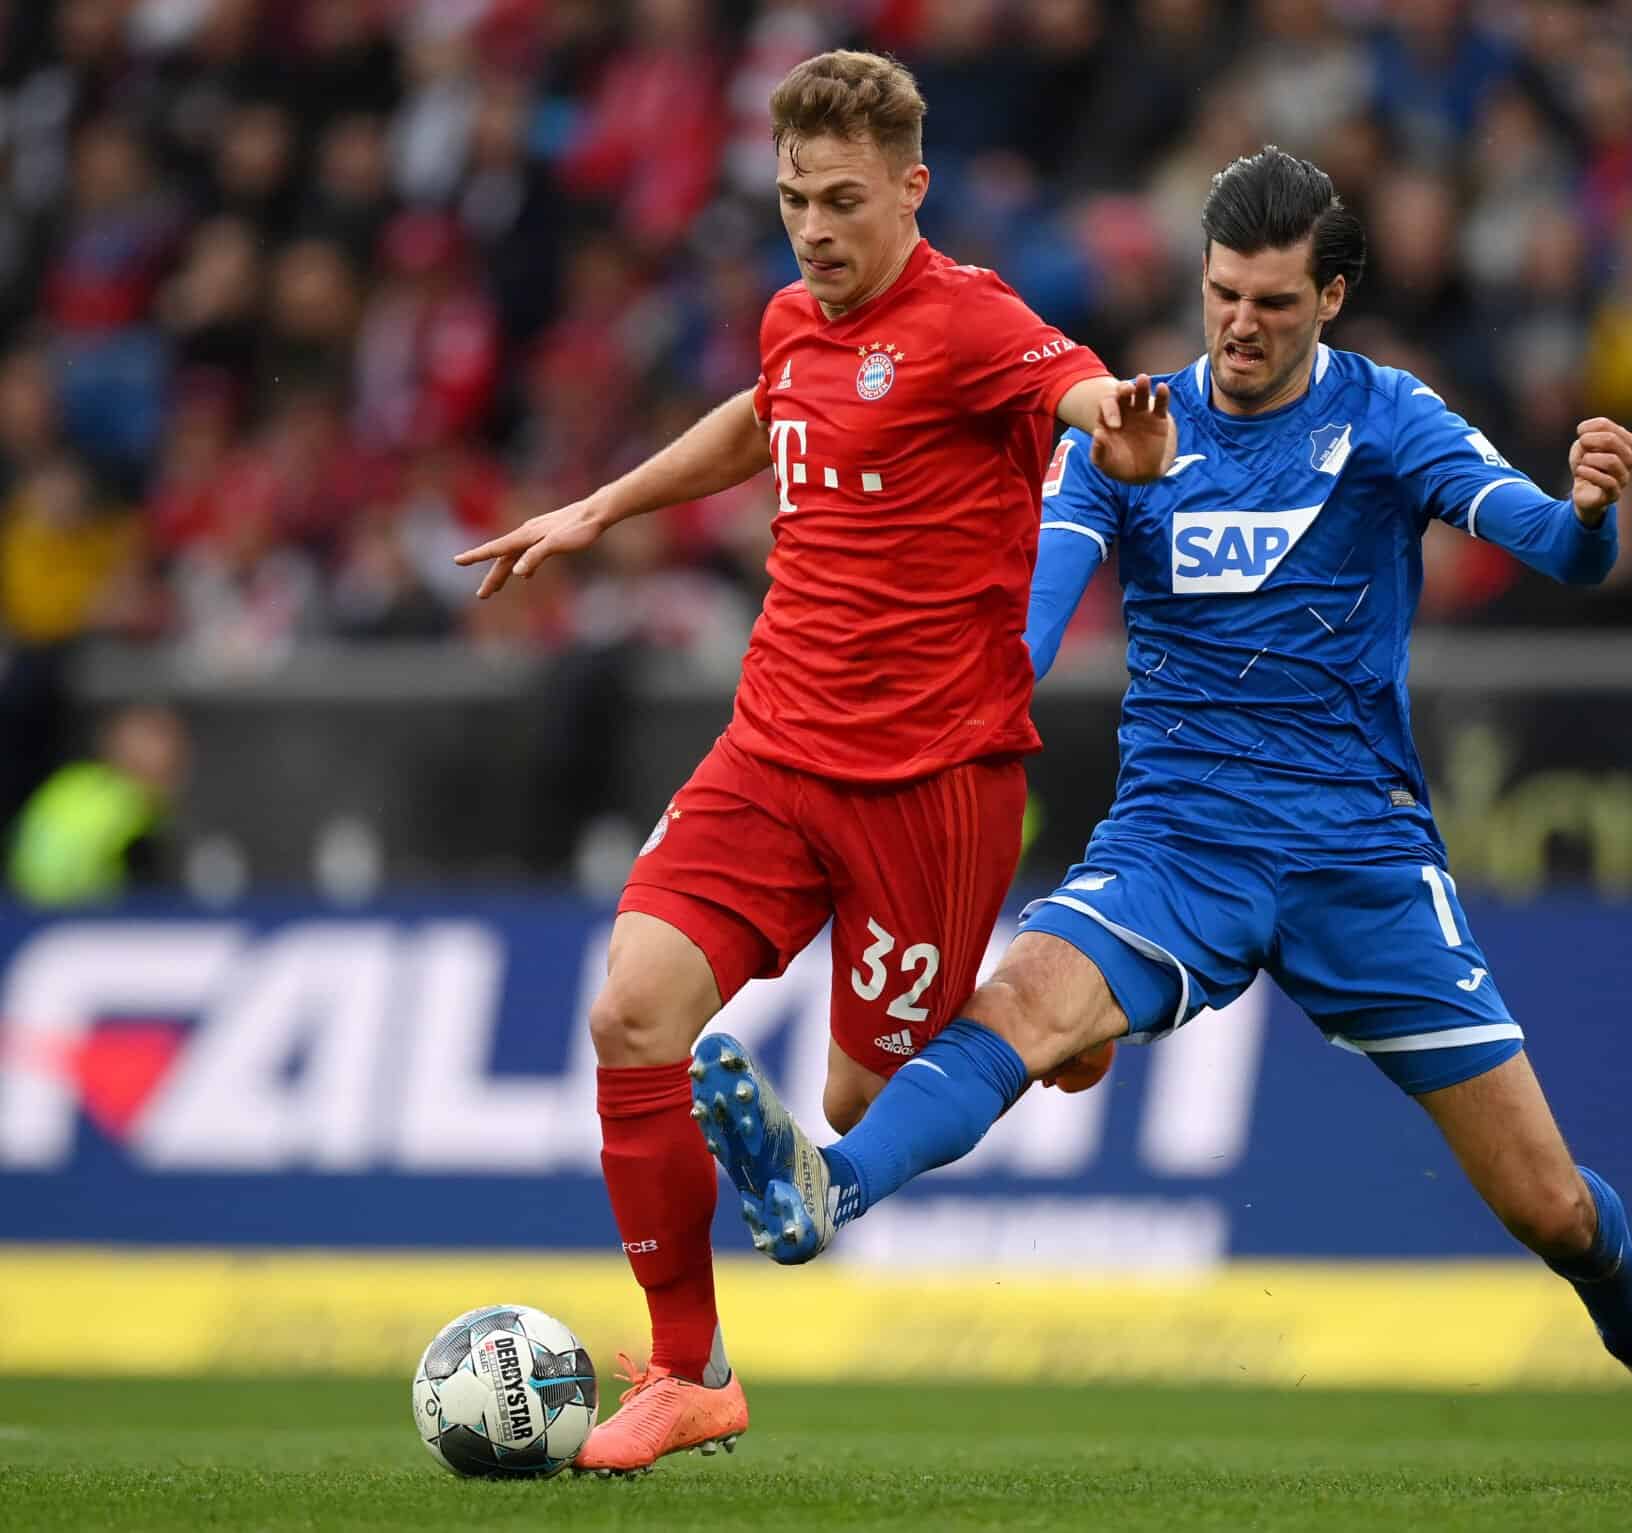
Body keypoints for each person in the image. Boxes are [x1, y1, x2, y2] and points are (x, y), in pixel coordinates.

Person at [691, 147, 1632, 1468]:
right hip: (1178, 841)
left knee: (1547, 1206)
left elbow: (1553, 546)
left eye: (1272, 302)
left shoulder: (1387, 419)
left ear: (1329, 297)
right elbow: (1026, 635)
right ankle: (829, 1185)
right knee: (1028, 1004)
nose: (1240, 324)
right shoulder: (1126, 435)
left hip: (1357, 855)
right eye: (1222, 294)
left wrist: (1595, 513)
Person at [452, 51, 1171, 1476]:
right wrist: (600, 506)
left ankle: (1051, 1024)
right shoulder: (794, 318)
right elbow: (765, 414)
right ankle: (689, 1370)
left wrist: (1125, 435)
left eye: (843, 200)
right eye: (794, 199)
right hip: (771, 752)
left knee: (858, 1108)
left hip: (931, 786)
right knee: (632, 1012)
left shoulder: (971, 323)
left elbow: (1082, 395)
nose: (815, 229)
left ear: (911, 189)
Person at [7, 703, 188, 906]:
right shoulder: (130, 808)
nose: (180, 761)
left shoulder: (69, 782)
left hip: (28, 907)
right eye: (170, 748)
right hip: (85, 912)